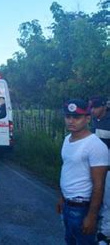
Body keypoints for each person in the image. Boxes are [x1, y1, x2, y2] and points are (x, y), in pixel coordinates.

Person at [57, 99, 109, 245]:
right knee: (69, 241)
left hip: (82, 208)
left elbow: (99, 185)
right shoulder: (67, 140)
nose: (71, 121)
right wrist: (62, 197)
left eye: (77, 117)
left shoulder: (95, 145)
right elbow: (67, 169)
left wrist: (91, 216)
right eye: (68, 117)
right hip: (68, 205)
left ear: (87, 118)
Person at [89, 96, 110, 244]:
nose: (92, 110)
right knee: (96, 197)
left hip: (109, 169)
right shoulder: (95, 121)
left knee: (108, 201)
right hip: (95, 167)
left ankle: (105, 234)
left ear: (103, 106)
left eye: (95, 107)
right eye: (91, 107)